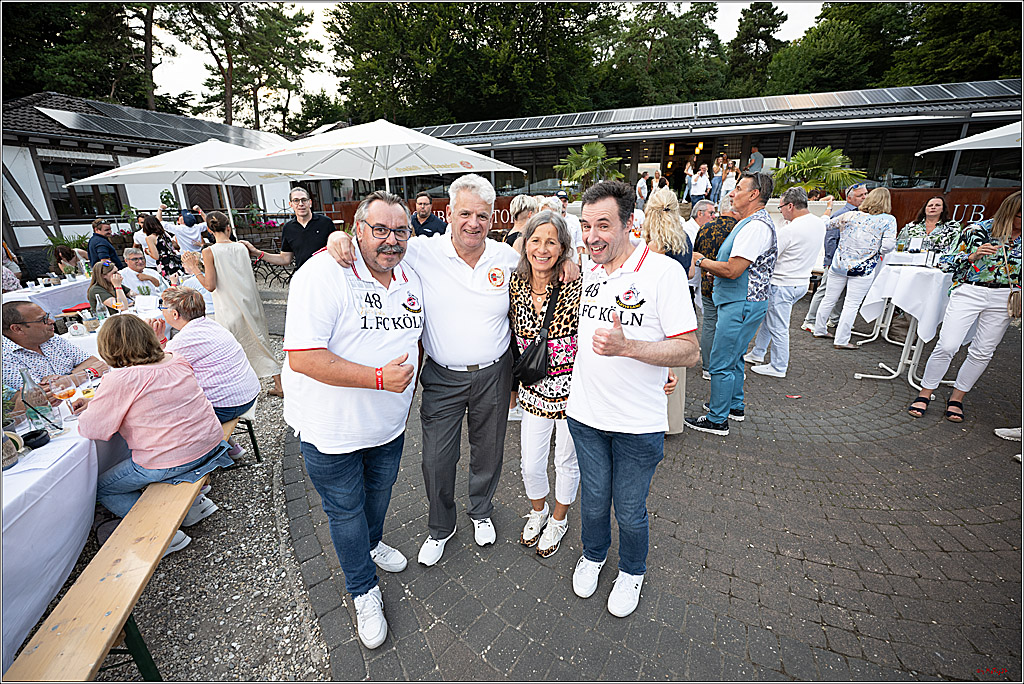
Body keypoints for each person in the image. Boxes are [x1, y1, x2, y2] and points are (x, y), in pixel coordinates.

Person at [325, 175, 579, 566]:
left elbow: (546, 262)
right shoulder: (422, 251)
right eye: (464, 213)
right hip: (443, 377)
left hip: (494, 373)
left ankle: (481, 510)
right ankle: (441, 526)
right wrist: (339, 239)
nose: (473, 223)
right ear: (449, 213)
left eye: (481, 215)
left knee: (488, 452)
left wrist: (572, 262)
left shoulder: (507, 257)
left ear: (493, 217)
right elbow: (377, 248)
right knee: (436, 459)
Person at [284, 191, 423, 648]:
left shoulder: (411, 275)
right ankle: (363, 590)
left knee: (378, 498)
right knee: (345, 511)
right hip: (332, 429)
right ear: (357, 229)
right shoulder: (323, 273)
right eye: (379, 229)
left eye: (400, 230)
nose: (391, 240)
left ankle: (372, 543)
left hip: (388, 425)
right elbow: (303, 357)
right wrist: (378, 377)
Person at [567, 180, 699, 618]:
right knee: (593, 498)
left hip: (637, 424)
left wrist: (630, 347)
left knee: (628, 507)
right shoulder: (588, 270)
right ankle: (593, 554)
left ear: (630, 224)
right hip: (585, 416)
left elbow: (690, 351)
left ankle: (632, 570)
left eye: (603, 225)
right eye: (586, 226)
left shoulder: (663, 273)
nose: (591, 236)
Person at [74, 314, 232, 557]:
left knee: (103, 488)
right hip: (211, 442)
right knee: (155, 457)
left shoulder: (120, 378)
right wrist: (100, 401)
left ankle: (161, 532)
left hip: (176, 458)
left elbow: (93, 429)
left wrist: (94, 406)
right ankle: (193, 508)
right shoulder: (176, 359)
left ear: (108, 348)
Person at [907, 191, 1021, 423]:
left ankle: (957, 398)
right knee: (948, 344)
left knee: (983, 351)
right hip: (971, 290)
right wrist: (972, 255)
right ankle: (925, 392)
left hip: (1005, 297)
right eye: (1020, 216)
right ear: (1010, 213)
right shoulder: (978, 230)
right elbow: (946, 261)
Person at [510, 210, 583, 557]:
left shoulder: (576, 283)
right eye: (535, 240)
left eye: (551, 242)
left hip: (573, 393)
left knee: (567, 462)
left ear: (562, 247)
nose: (542, 249)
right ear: (524, 245)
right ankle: (538, 511)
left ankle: (559, 518)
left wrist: (574, 261)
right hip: (533, 392)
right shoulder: (515, 283)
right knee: (531, 463)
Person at [687, 172, 778, 436]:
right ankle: (733, 405)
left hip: (741, 303)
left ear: (754, 194)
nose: (731, 193)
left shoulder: (755, 227)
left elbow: (733, 269)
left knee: (721, 360)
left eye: (738, 188)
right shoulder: (751, 222)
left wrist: (700, 260)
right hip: (741, 302)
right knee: (734, 357)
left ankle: (717, 419)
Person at [183, 211, 283, 397]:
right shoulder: (242, 247)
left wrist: (195, 267)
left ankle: (242, 388)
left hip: (228, 306)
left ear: (210, 231)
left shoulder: (209, 251)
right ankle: (279, 384)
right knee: (261, 341)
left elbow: (210, 286)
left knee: (233, 348)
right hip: (250, 302)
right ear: (228, 227)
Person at [152, 286, 260, 432]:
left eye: (162, 307)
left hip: (227, 406)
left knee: (164, 409)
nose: (162, 311)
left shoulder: (185, 339)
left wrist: (154, 340)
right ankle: (231, 446)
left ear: (175, 314)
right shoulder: (211, 324)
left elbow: (158, 368)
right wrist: (162, 340)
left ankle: (212, 449)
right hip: (247, 394)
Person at [745, 188, 826, 377]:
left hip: (783, 283)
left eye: (781, 207)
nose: (780, 211)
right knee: (770, 320)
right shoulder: (818, 223)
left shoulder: (790, 230)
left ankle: (778, 366)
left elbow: (770, 256)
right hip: (801, 282)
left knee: (778, 326)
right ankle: (758, 353)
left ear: (790, 205)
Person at [812, 187, 897, 350]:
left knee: (829, 298)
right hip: (863, 268)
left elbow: (826, 225)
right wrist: (874, 249)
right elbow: (888, 246)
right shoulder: (888, 220)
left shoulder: (850, 215)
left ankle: (819, 329)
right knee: (851, 304)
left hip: (839, 264)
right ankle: (841, 340)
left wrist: (828, 210)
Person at [641, 188, 692, 435]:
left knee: (652, 366)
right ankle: (672, 424)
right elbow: (690, 273)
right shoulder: (684, 239)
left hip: (651, 312)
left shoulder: (649, 243)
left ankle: (649, 421)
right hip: (679, 311)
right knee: (675, 367)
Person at [801, 183, 867, 332]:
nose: (864, 198)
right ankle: (810, 320)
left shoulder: (862, 215)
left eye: (865, 194)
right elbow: (830, 239)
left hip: (849, 263)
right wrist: (829, 261)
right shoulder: (841, 214)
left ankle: (834, 320)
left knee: (843, 292)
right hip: (835, 262)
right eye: (860, 195)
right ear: (849, 198)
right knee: (824, 291)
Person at [2, 301, 108, 393]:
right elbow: (41, 394)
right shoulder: (5, 357)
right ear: (17, 329)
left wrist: (67, 379)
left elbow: (94, 362)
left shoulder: (49, 338)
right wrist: (86, 373)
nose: (51, 322)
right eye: (43, 320)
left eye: (47, 316)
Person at [240, 186, 335, 271]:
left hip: (326, 274)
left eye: (304, 200)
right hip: (303, 276)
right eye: (296, 200)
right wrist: (257, 252)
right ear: (291, 204)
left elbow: (336, 249)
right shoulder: (288, 228)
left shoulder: (325, 222)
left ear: (310, 203)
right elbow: (285, 259)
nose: (300, 204)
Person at [693, 209, 740, 380]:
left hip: (707, 284)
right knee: (729, 327)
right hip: (731, 286)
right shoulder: (740, 229)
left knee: (710, 325)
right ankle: (726, 366)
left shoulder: (705, 228)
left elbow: (696, 253)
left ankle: (707, 366)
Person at [897, 196, 962, 252]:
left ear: (943, 209)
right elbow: (898, 244)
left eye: (937, 205)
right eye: (930, 205)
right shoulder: (911, 226)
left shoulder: (953, 226)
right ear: (925, 209)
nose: (933, 207)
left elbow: (956, 248)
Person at [683, 200, 718, 304]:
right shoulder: (687, 230)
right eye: (711, 213)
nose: (714, 216)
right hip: (688, 282)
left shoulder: (702, 230)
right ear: (699, 213)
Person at [556, 190, 585, 260]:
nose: (562, 204)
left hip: (572, 260)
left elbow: (579, 242)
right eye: (560, 201)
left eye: (564, 201)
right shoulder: (551, 220)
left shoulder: (574, 219)